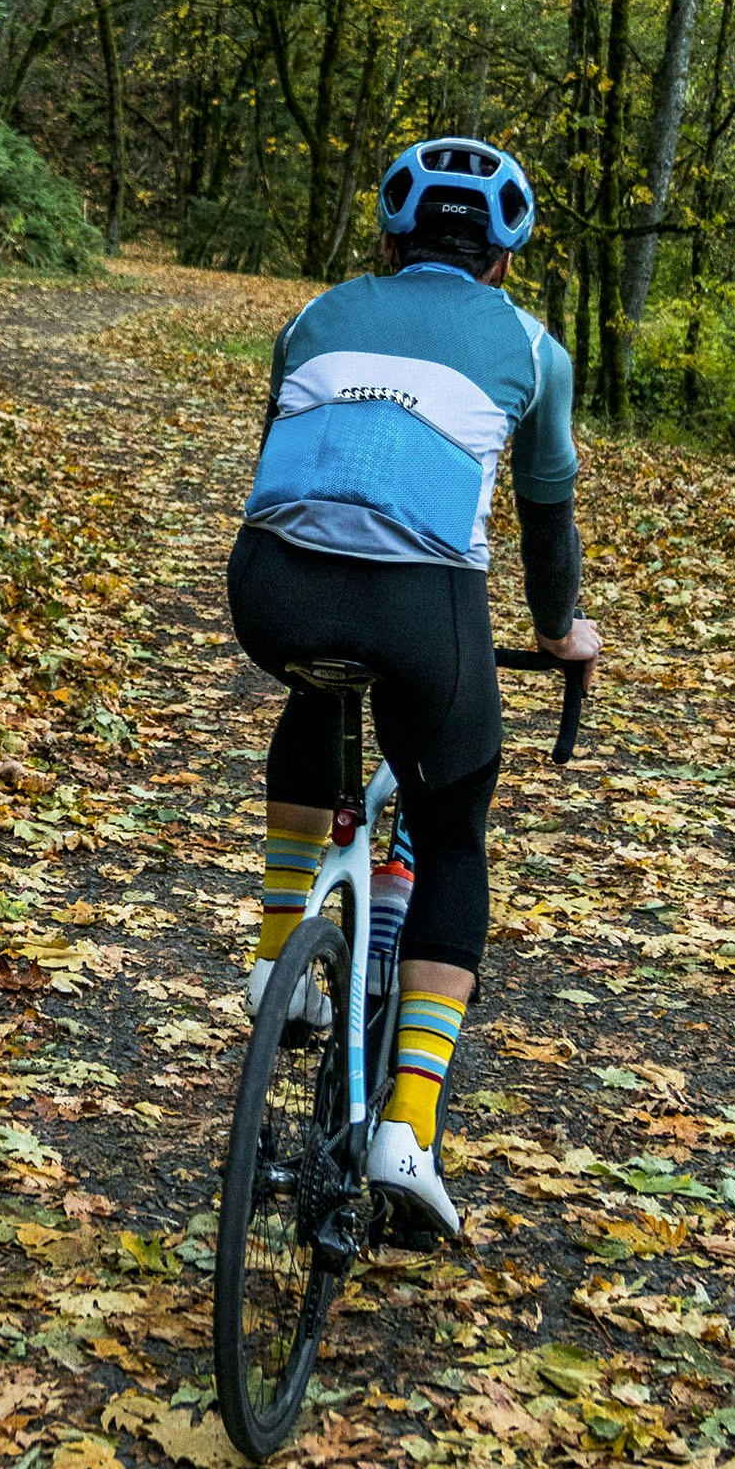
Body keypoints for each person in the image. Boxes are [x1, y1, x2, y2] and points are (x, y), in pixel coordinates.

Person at [234, 137, 598, 1244]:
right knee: (451, 830)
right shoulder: (533, 350)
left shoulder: (313, 318)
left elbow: (294, 464)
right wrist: (557, 633)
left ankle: (274, 963)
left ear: (390, 239)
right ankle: (406, 1128)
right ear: (501, 257)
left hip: (270, 594)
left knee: (319, 687)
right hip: (421, 611)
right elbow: (547, 524)